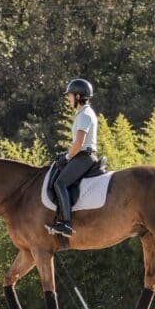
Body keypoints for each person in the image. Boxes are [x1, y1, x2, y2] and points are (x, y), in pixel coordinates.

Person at [47, 78, 98, 238]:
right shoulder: (83, 114)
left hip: (84, 157)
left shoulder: (85, 115)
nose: (68, 99)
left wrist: (67, 157)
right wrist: (66, 155)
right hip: (81, 155)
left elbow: (79, 142)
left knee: (60, 182)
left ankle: (67, 224)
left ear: (77, 96)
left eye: (70, 96)